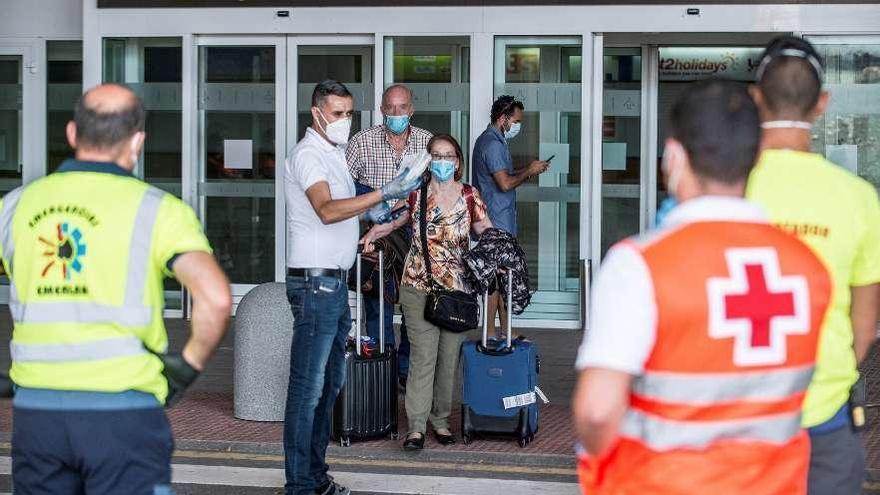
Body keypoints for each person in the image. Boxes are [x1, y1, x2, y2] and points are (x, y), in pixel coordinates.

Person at [572, 79, 832, 494]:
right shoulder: (807, 268)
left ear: (673, 156)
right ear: (755, 158)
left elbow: (598, 411)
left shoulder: (640, 265)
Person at [2, 83, 232, 494]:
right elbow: (214, 299)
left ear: (73, 134)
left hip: (37, 411)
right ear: (138, 141)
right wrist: (185, 368)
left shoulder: (16, 206)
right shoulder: (158, 208)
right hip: (122, 409)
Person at [746, 36, 880, 494]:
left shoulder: (722, 191)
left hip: (736, 419)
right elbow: (864, 325)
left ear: (755, 98)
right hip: (824, 417)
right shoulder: (860, 199)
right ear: (822, 103)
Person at [283, 80, 423, 495]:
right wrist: (384, 191)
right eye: (338, 113)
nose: (345, 120)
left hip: (333, 286)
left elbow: (350, 209)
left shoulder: (335, 155)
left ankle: (315, 476)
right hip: (314, 287)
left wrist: (383, 207)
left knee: (329, 388)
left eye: (349, 113)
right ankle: (300, 487)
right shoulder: (309, 155)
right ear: (317, 113)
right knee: (307, 392)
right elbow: (326, 210)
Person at [362, 134, 492, 451]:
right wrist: (373, 232)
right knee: (423, 358)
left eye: (448, 156)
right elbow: (392, 223)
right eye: (436, 155)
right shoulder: (416, 195)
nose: (442, 161)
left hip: (457, 292)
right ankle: (417, 427)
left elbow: (485, 231)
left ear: (458, 162)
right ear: (428, 160)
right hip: (418, 285)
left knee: (448, 360)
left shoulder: (470, 196)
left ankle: (441, 421)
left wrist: (501, 254)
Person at [347, 83, 432, 387]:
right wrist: (374, 202)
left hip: (414, 231)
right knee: (377, 302)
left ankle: (405, 370)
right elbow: (343, 187)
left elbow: (435, 189)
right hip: (375, 233)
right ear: (382, 109)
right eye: (390, 108)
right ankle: (381, 366)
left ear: (412, 109)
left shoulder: (426, 143)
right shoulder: (361, 142)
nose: (396, 113)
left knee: (414, 303)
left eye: (402, 107)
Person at [472, 95, 548, 338]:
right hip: (495, 222)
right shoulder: (492, 144)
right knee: (496, 278)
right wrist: (529, 170)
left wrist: (526, 171)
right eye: (515, 121)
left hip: (499, 219)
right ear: (502, 118)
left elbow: (502, 176)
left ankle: (504, 332)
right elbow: (504, 184)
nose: (518, 126)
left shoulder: (496, 140)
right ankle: (490, 333)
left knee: (505, 276)